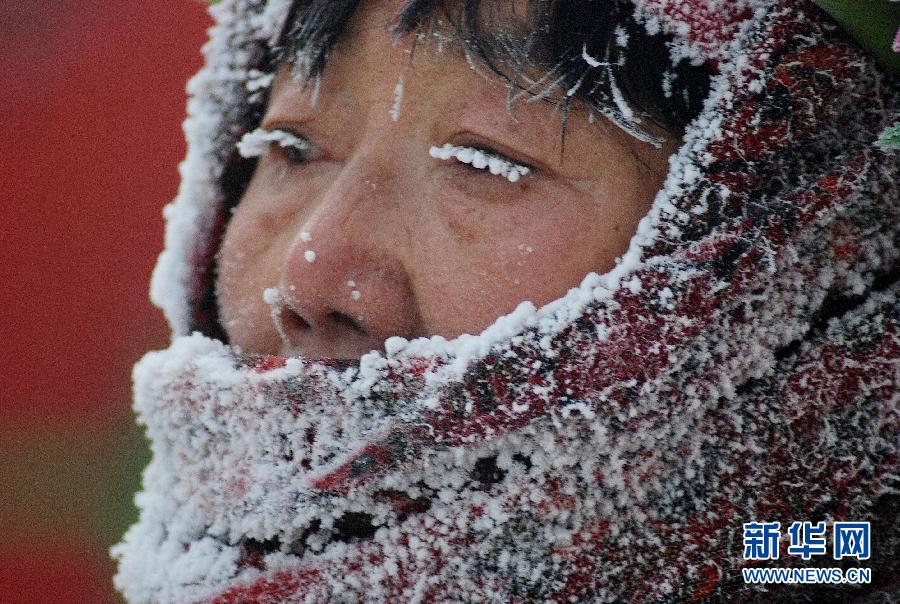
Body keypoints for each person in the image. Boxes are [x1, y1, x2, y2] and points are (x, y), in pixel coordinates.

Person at [114, 0, 899, 601]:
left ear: (768, 247)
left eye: (484, 163)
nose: (310, 278)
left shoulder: (821, 551)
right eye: (290, 148)